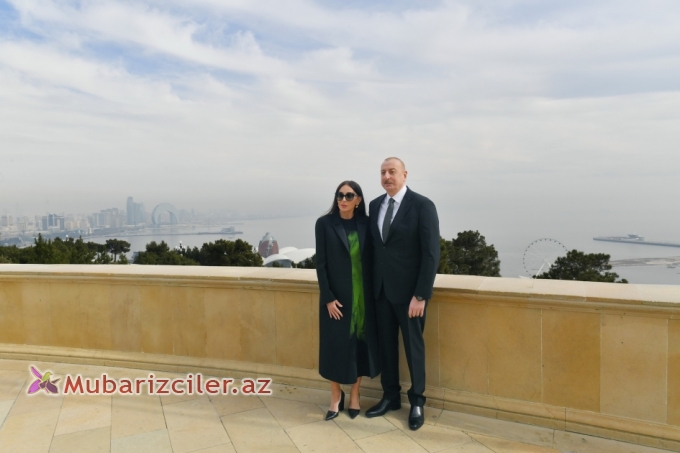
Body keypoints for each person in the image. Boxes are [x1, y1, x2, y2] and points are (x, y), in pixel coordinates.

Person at [365, 157, 440, 431]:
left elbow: (431, 254)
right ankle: (390, 397)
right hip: (381, 292)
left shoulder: (422, 205)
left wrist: (421, 295)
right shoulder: (375, 205)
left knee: (413, 348)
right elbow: (376, 249)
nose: (387, 176)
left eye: (392, 171)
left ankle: (417, 402)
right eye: (383, 172)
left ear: (404, 175)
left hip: (410, 296)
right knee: (386, 347)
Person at [315, 180, 380, 421]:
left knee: (359, 346)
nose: (343, 199)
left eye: (349, 195)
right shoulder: (324, 223)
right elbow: (321, 264)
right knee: (335, 346)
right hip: (337, 299)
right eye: (340, 195)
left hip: (363, 298)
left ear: (358, 200)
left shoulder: (367, 224)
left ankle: (354, 394)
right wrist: (328, 298)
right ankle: (335, 396)